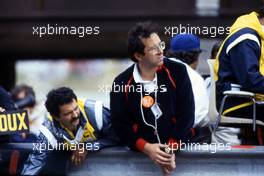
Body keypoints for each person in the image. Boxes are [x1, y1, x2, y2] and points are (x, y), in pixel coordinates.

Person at [110, 22, 194, 175]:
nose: (161, 51)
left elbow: (187, 115)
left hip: (180, 154)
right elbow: (120, 125)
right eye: (153, 48)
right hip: (139, 162)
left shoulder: (178, 71)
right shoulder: (121, 83)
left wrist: (168, 151)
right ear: (138, 56)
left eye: (160, 44)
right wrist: (147, 148)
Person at [22, 87, 118, 175]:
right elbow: (35, 162)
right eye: (68, 113)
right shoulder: (48, 129)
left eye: (76, 108)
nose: (75, 115)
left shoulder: (97, 113)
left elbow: (119, 137)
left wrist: (88, 147)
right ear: (55, 117)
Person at [214, 8, 264, 144]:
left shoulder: (257, 37)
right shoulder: (246, 39)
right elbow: (251, 81)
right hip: (236, 103)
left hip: (250, 100)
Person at [166, 34, 210, 130]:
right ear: (196, 56)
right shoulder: (194, 77)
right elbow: (200, 117)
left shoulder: (153, 69)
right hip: (177, 137)